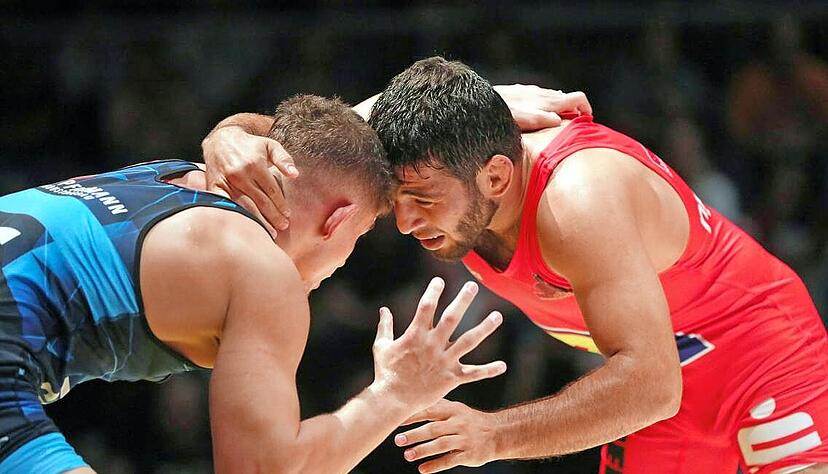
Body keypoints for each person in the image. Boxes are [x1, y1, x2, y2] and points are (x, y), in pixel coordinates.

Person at [209, 59, 828, 473]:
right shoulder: (438, 157)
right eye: (398, 202)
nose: (404, 224)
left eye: (422, 201)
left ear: (498, 175)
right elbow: (289, 141)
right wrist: (227, 135)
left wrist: (493, 436)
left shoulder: (580, 198)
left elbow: (652, 384)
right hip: (654, 384)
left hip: (761, 357)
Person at [0, 94, 507, 473]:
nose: (345, 260)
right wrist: (395, 394)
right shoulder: (262, 272)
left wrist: (229, 128)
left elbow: (318, 137)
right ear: (339, 220)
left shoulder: (178, 173)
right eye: (362, 234)